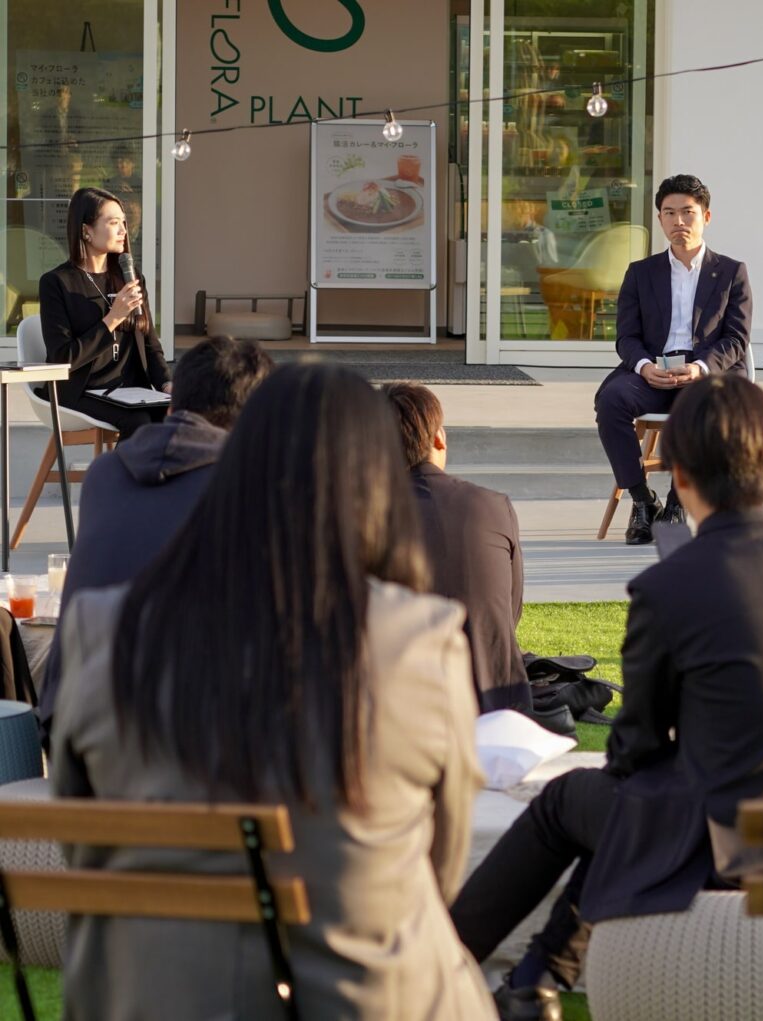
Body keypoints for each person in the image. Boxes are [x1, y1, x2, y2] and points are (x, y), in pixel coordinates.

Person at [49, 364, 494, 1019]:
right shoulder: (417, 641)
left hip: (150, 997)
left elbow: (84, 840)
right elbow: (440, 865)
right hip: (366, 996)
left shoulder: (104, 631)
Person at [453, 375, 763, 1021]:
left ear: (678, 473)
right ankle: (537, 976)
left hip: (721, 840)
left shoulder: (671, 582)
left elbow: (637, 740)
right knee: (630, 802)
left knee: (577, 798)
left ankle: (457, 958)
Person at [592, 174, 752, 545]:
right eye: (669, 213)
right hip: (653, 371)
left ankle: (678, 504)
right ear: (660, 219)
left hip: (703, 375)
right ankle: (643, 500)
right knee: (612, 400)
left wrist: (697, 368)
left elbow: (736, 339)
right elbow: (626, 337)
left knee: (705, 406)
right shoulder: (640, 273)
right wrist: (645, 366)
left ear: (706, 217)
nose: (679, 221)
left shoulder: (731, 272)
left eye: (688, 213)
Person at [61, 336, 272, 608]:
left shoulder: (103, 473)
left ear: (171, 408)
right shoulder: (244, 486)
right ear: (253, 421)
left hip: (87, 646)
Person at [384, 382, 531, 714]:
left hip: (404, 710)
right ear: (439, 438)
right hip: (497, 704)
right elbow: (510, 612)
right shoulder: (494, 506)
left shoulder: (365, 517)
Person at [39, 186, 171, 439]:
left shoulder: (130, 277)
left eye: (124, 222)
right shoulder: (57, 282)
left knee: (177, 414)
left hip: (132, 390)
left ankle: (161, 478)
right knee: (140, 421)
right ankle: (119, 479)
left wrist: (166, 383)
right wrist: (112, 319)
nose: (124, 231)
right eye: (113, 223)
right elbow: (61, 358)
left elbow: (150, 342)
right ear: (86, 230)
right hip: (81, 390)